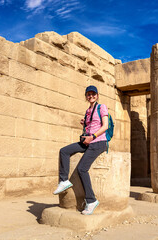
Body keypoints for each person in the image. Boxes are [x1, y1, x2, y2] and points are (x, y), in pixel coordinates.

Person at [53, 85, 109, 215]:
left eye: (93, 94)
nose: (91, 96)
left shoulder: (101, 107)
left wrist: (93, 137)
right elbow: (92, 125)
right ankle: (64, 181)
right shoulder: (88, 110)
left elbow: (105, 126)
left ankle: (91, 200)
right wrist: (85, 122)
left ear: (97, 95)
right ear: (86, 96)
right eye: (88, 94)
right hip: (87, 141)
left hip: (98, 142)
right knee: (64, 151)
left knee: (82, 169)